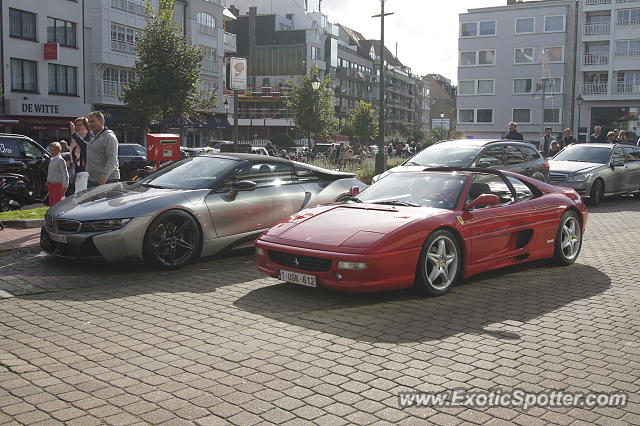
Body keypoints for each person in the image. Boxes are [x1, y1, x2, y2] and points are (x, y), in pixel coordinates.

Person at [86, 111, 120, 188]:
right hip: (93, 179)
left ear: (101, 121)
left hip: (107, 180)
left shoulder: (109, 137)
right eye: (89, 122)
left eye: (92, 121)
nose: (90, 124)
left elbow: (112, 159)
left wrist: (104, 176)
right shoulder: (93, 137)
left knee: (110, 200)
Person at [69, 117, 93, 193]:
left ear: (86, 126)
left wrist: (74, 134)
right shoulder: (75, 140)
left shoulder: (90, 137)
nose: (77, 127)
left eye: (79, 125)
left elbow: (85, 146)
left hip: (86, 172)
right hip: (77, 172)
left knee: (79, 196)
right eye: (76, 125)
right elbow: (73, 155)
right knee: (79, 196)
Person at [47, 142, 69, 207]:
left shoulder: (60, 160)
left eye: (54, 150)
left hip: (58, 185)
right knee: (51, 202)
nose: (52, 152)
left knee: (57, 203)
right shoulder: (51, 160)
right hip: (51, 184)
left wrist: (65, 185)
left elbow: (65, 174)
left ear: (59, 150)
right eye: (51, 150)